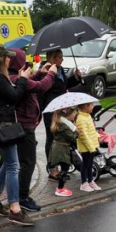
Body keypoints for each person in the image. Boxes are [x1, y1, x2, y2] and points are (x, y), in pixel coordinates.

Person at [0, 44, 33, 226]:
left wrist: (19, 78)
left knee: (7, 163)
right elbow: (14, 96)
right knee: (13, 165)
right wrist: (23, 80)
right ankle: (15, 208)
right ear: (1, 59)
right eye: (8, 57)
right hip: (3, 126)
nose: (10, 59)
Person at [8, 48, 55, 213]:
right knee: (28, 162)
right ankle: (22, 197)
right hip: (25, 125)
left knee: (16, 163)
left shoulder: (12, 77)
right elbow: (41, 87)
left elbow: (28, 83)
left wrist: (40, 73)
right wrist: (51, 74)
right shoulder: (16, 78)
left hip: (22, 123)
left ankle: (8, 196)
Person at [39, 49, 82, 178]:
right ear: (52, 58)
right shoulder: (45, 69)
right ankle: (52, 168)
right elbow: (43, 88)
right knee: (52, 138)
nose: (62, 59)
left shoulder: (60, 69)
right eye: (59, 57)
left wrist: (75, 77)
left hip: (61, 107)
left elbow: (64, 85)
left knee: (63, 136)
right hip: (51, 108)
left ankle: (63, 164)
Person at [48, 107, 78, 197]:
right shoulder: (64, 125)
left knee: (64, 168)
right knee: (65, 168)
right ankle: (60, 189)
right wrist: (77, 132)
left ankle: (61, 188)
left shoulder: (60, 122)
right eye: (74, 114)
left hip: (58, 147)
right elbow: (72, 137)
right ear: (68, 114)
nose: (75, 115)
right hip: (61, 149)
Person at [75, 100, 101, 192]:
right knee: (85, 164)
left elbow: (92, 130)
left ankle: (90, 181)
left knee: (90, 164)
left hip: (91, 146)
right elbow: (83, 136)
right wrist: (91, 148)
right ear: (86, 106)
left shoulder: (88, 116)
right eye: (91, 105)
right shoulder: (81, 119)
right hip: (86, 147)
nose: (93, 106)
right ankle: (83, 183)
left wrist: (98, 136)